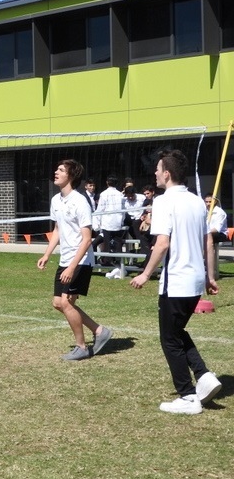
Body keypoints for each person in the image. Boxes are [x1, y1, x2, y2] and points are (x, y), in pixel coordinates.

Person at [130, 150, 222, 414]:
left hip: (177, 281)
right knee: (177, 331)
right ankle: (204, 376)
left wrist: (145, 274)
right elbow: (207, 241)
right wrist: (209, 276)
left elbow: (162, 243)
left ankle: (187, 396)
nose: (155, 173)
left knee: (169, 338)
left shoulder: (162, 202)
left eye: (158, 169)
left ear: (167, 173)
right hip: (194, 281)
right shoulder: (196, 201)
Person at [37, 160, 113, 361]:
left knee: (66, 302)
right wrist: (46, 254)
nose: (55, 172)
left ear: (70, 176)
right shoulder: (56, 200)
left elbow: (87, 238)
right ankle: (99, 331)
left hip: (80, 260)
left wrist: (72, 267)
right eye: (57, 169)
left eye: (60, 170)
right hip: (66, 258)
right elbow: (57, 230)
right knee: (57, 303)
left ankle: (81, 347)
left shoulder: (80, 201)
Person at [95, 174, 126, 276]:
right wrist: (122, 220)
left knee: (107, 243)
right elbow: (123, 210)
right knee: (118, 243)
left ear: (107, 183)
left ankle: (107, 261)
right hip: (117, 221)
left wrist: (98, 221)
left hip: (107, 222)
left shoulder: (103, 194)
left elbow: (100, 209)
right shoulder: (120, 195)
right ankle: (118, 262)